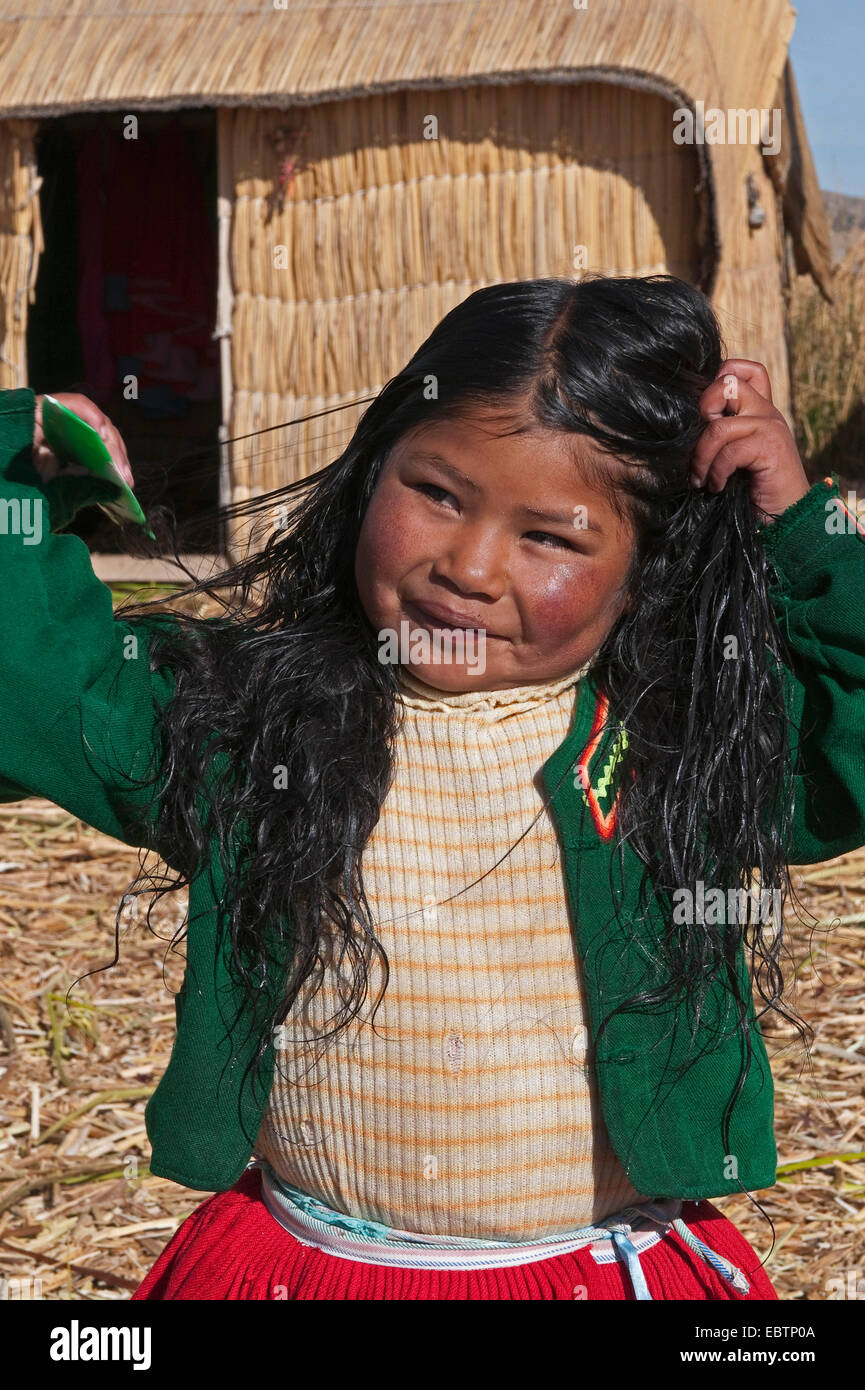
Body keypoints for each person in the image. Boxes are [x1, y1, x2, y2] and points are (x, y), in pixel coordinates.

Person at [3, 275, 863, 1301]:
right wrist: (21, 463)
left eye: (550, 536)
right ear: (373, 472)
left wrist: (804, 529)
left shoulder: (682, 749)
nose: (469, 564)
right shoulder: (251, 728)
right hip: (309, 1271)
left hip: (586, 1274)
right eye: (437, 493)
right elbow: (41, 678)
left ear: (645, 568)